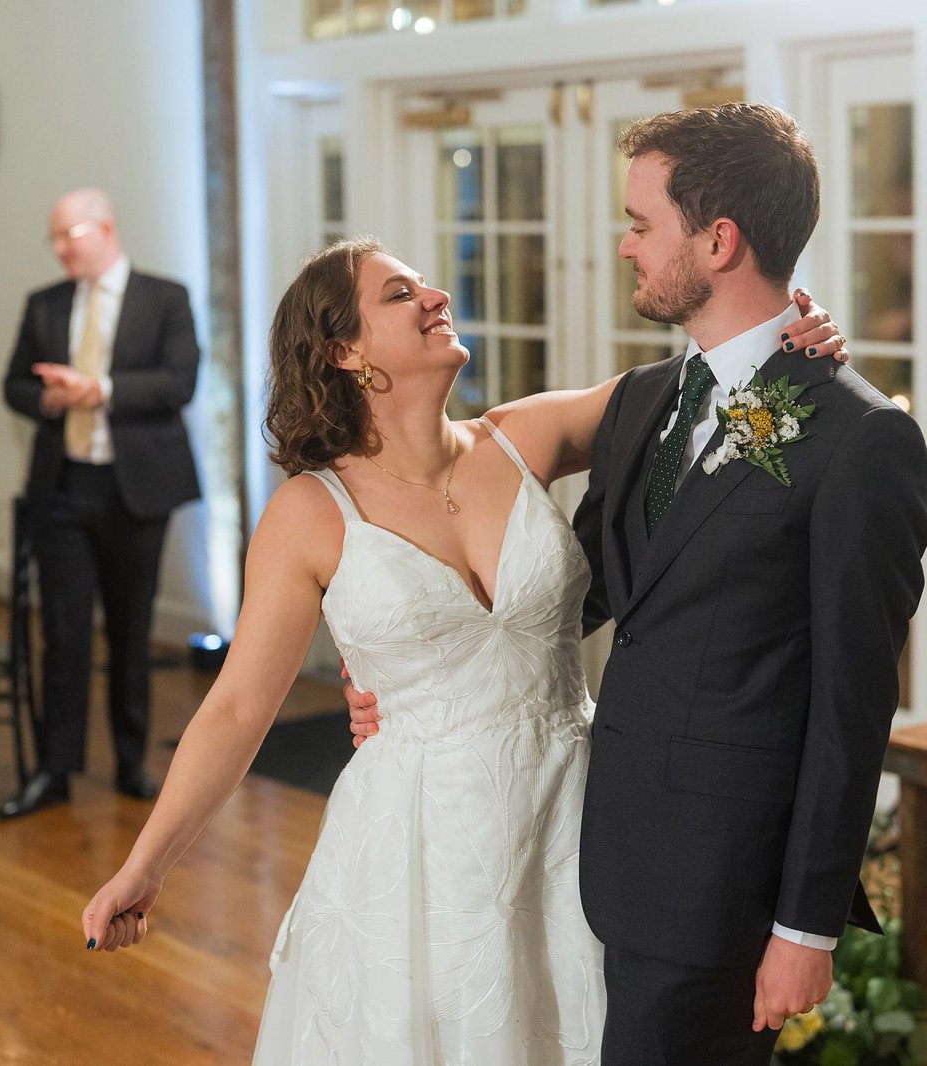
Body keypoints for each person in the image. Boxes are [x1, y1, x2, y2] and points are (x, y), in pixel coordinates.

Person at [79, 235, 845, 1062]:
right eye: (400, 294)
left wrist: (787, 336)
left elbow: (698, 382)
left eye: (425, 285)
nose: (436, 296)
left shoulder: (525, 437)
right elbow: (235, 709)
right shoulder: (308, 514)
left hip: (577, 816)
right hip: (419, 851)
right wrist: (145, 867)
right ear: (343, 351)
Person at [350, 103, 927, 1065]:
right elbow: (572, 589)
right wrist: (414, 668)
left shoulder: (861, 439)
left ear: (718, 240)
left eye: (639, 224)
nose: (624, 247)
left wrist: (806, 928)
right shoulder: (644, 403)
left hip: (725, 883)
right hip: (600, 849)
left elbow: (854, 703)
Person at [0, 188, 201, 818]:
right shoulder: (45, 303)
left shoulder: (164, 297)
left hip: (134, 489)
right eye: (54, 238)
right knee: (62, 636)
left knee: (130, 632)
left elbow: (180, 382)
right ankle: (53, 771)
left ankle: (132, 762)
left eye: (71, 235)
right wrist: (50, 399)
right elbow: (13, 386)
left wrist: (101, 389)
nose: (61, 248)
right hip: (63, 487)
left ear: (105, 228)